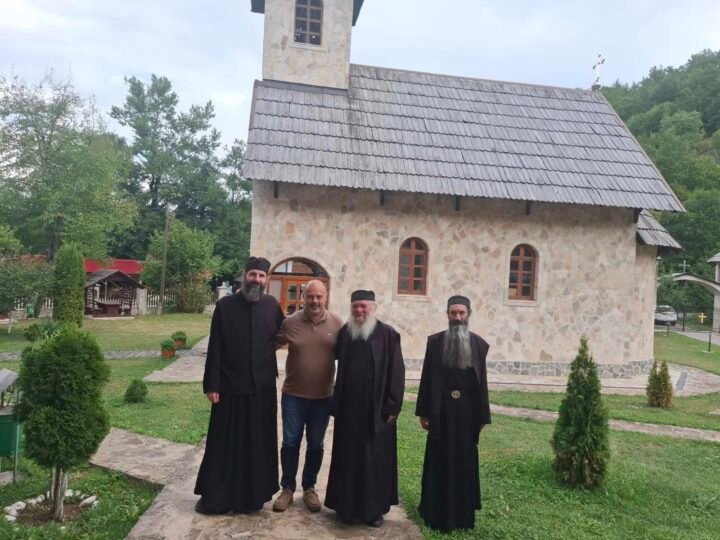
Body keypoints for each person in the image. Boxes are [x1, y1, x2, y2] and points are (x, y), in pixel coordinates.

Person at [194, 256, 285, 514]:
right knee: (225, 443)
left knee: (257, 443)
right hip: (230, 387)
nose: (257, 279)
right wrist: (212, 385)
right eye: (253, 274)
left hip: (262, 388)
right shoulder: (225, 306)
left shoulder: (272, 305)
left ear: (266, 279)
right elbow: (215, 347)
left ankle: (252, 497)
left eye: (261, 275)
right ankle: (218, 497)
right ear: (244, 275)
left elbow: (282, 335)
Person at [324, 290, 405, 528]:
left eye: (364, 306)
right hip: (349, 411)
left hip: (377, 412)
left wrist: (392, 406)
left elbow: (397, 373)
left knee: (374, 461)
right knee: (348, 458)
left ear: (373, 308)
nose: (359, 311)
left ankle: (373, 511)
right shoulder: (345, 333)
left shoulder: (388, 335)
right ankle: (346, 508)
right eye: (355, 306)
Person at [415, 295, 491, 532]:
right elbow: (427, 378)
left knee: (464, 461)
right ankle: (435, 513)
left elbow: (482, 383)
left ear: (469, 314)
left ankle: (462, 517)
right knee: (439, 459)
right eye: (453, 313)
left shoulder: (479, 345)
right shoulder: (435, 342)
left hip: (467, 414)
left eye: (461, 313)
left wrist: (482, 416)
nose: (457, 317)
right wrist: (423, 412)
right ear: (447, 314)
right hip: (441, 411)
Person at [272, 280, 344, 513]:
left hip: (323, 397)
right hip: (293, 395)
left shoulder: (337, 324)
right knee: (290, 443)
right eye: (310, 296)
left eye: (319, 296)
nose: (314, 301)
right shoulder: (290, 322)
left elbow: (348, 356)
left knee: (315, 444)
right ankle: (287, 489)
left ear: (326, 297)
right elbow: (267, 346)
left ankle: (309, 488)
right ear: (304, 297)